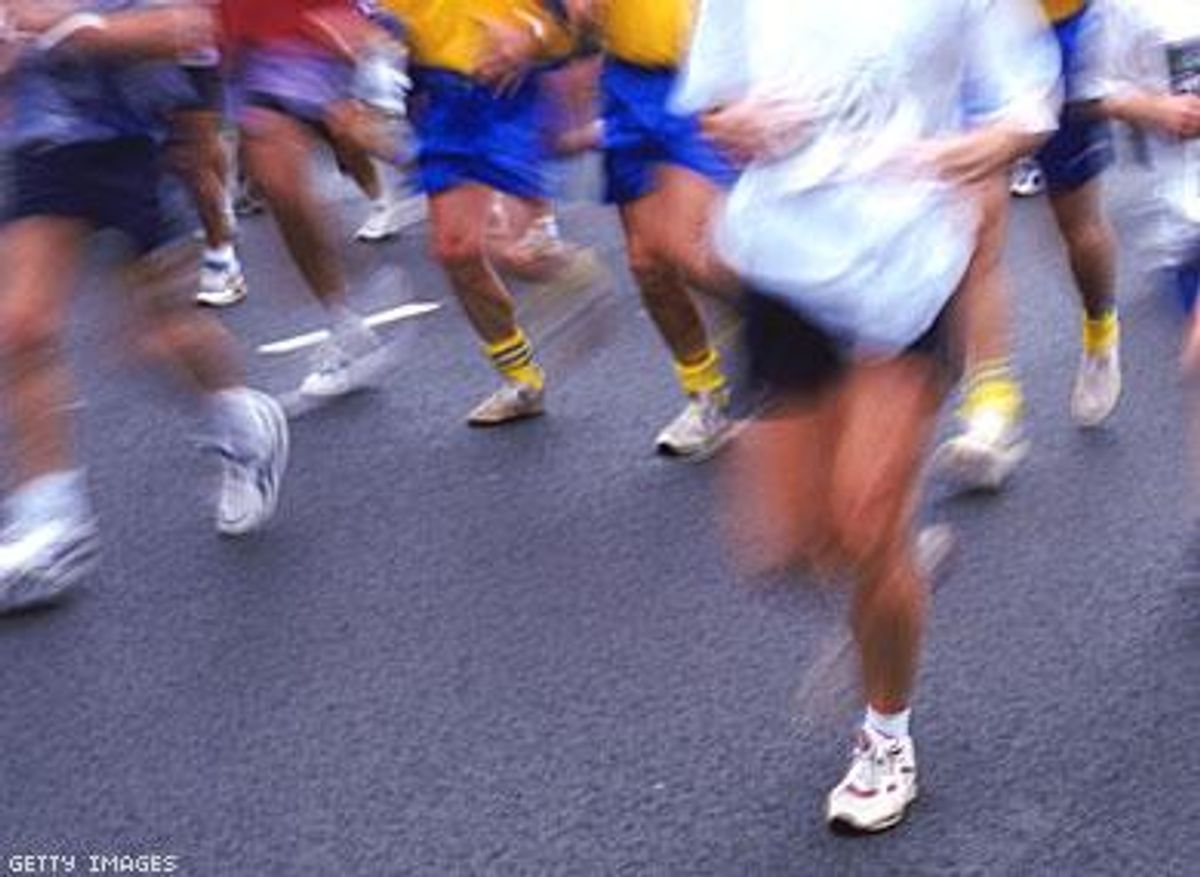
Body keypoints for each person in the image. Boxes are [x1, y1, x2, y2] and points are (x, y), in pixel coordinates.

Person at [676, 0, 1059, 832]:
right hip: (782, 262)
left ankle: (885, 736)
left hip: (907, 257)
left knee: (865, 519)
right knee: (780, 549)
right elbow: (712, 107)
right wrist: (736, 123)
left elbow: (1029, 102)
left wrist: (979, 148)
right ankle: (889, 571)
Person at [0, 0, 290, 614]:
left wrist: (70, 27)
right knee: (22, 327)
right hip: (40, 150)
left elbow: (185, 28)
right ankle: (51, 525)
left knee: (156, 335)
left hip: (135, 145)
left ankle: (241, 423)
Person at [935, 0, 1123, 492]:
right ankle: (992, 411)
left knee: (1077, 226)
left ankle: (1100, 328)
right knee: (976, 227)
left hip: (1057, 30)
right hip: (974, 32)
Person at [382, 0, 588, 426]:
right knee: (455, 251)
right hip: (440, 94)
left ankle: (572, 272)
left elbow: (575, 11)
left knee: (519, 253)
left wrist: (533, 34)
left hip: (507, 88)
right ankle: (522, 380)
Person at [567, 0, 739, 457]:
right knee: (648, 264)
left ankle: (791, 333)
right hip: (630, 85)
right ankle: (705, 393)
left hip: (707, 83)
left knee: (693, 250)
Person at [220, 0, 392, 400]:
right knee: (279, 188)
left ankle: (402, 197)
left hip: (321, 35)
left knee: (369, 144)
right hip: (253, 54)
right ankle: (344, 323)